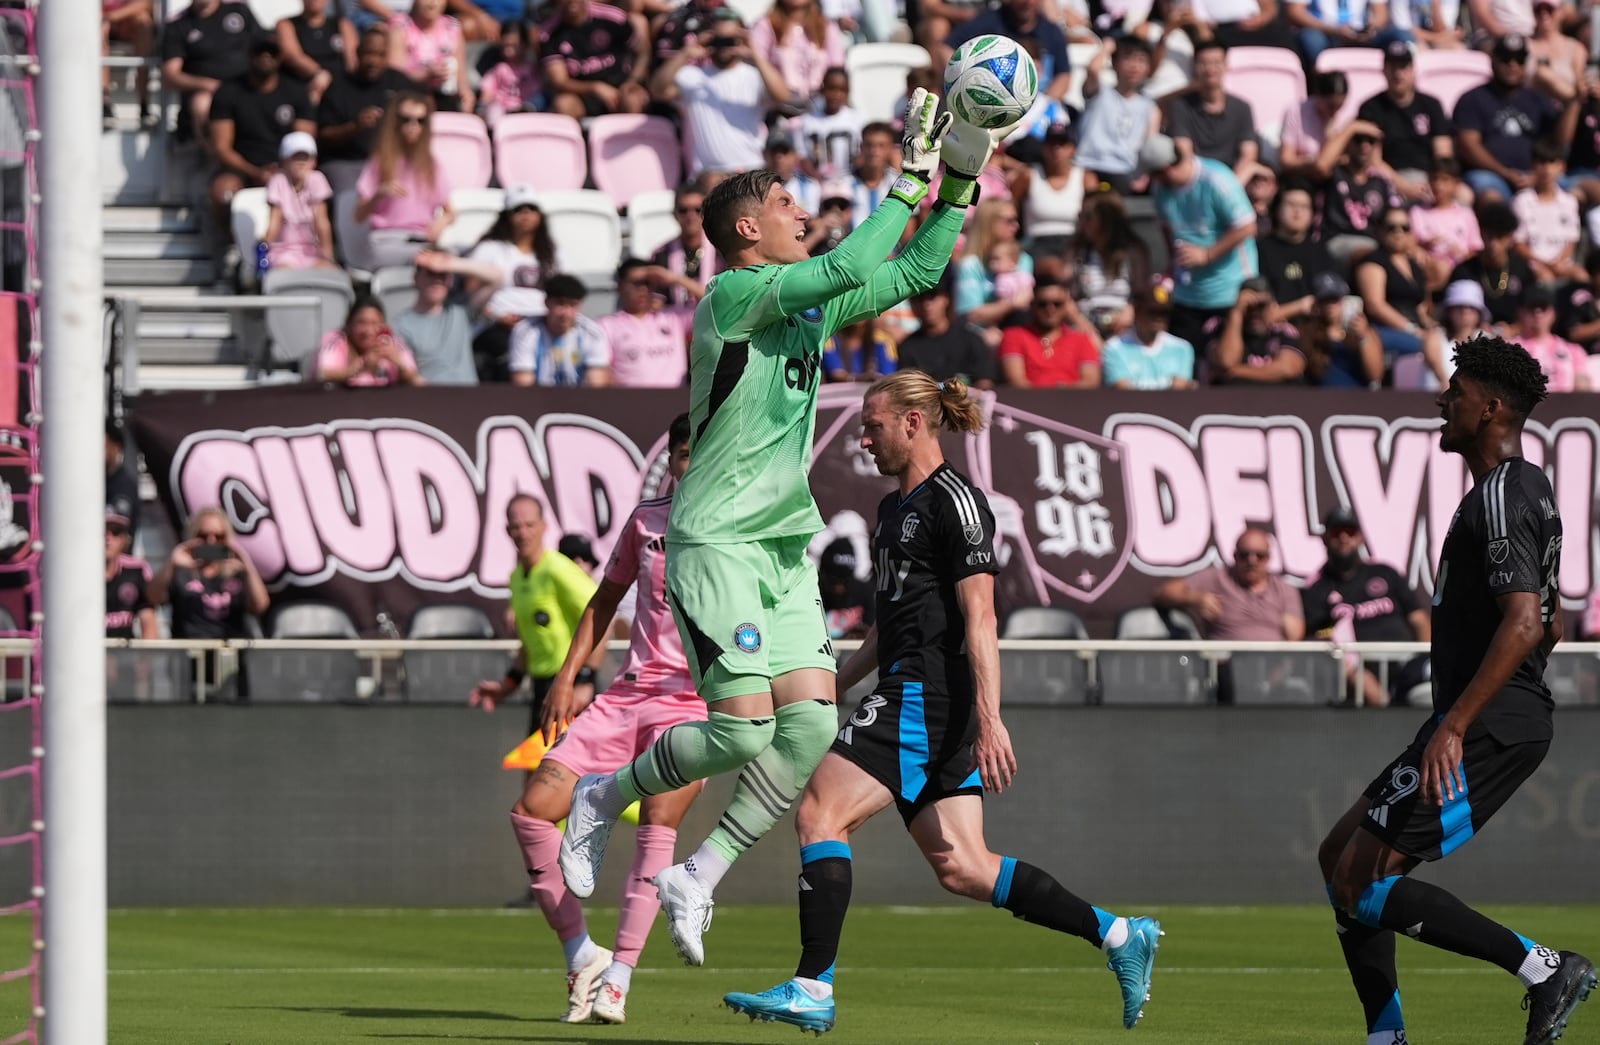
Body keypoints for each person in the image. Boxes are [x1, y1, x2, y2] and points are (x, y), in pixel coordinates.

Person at [557, 92, 1003, 969]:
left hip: (780, 548)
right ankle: (603, 795)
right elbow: (845, 267)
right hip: (717, 541)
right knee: (741, 731)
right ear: (747, 232)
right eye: (788, 204)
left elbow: (906, 277)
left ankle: (700, 872)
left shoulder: (800, 311)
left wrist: (955, 185)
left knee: (806, 726)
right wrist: (907, 178)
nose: (805, 211)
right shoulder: (731, 296)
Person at [722, 371, 1163, 1034]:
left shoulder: (956, 502)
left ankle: (813, 984)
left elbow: (980, 617)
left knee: (819, 814)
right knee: (962, 864)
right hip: (910, 690)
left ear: (914, 422)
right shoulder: (891, 509)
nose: (864, 438)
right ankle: (1119, 934)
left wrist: (990, 718)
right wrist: (840, 683)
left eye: (872, 426)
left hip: (926, 698)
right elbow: (889, 622)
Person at [1317, 336, 1596, 1045]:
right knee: (1339, 855)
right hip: (1481, 712)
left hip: (1487, 720)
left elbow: (1528, 619)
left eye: (1457, 392)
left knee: (1361, 878)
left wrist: (1455, 723)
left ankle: (1544, 967)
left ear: (1492, 406)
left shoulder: (1505, 489)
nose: (1444, 401)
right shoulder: (1507, 492)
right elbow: (1550, 619)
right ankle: (1388, 1034)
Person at [504, 416, 707, 1026]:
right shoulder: (646, 520)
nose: (690, 464)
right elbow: (604, 599)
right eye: (680, 454)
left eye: (701, 452)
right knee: (532, 808)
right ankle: (581, 952)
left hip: (694, 701)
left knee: (657, 824)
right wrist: (566, 678)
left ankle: (619, 975)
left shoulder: (741, 524)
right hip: (625, 693)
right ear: (669, 459)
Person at [470, 494, 607, 755]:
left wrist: (585, 681)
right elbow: (529, 643)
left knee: (558, 787)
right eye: (516, 526)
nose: (523, 533)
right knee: (536, 784)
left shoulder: (558, 569)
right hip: (543, 692)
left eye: (530, 525)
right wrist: (507, 686)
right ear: (507, 530)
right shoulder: (517, 578)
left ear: (544, 526)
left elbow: (602, 615)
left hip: (571, 690)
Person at [1302, 505, 1431, 707]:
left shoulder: (1385, 573)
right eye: (1336, 532)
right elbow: (1322, 638)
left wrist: (1427, 659)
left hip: (1409, 666)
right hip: (1360, 677)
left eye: (1350, 531)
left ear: (1360, 537)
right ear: (1325, 538)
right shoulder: (1316, 590)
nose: (1344, 537)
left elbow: (1419, 620)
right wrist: (1357, 674)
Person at [1142, 134, 1259, 356]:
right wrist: (1170, 268)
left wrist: (1207, 255)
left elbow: (1247, 226)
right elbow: (1166, 229)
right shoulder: (1161, 191)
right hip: (1187, 295)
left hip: (1228, 293)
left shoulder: (1217, 180)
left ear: (1165, 170)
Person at [651, 15, 794, 177]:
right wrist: (685, 53)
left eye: (730, 39)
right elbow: (657, 90)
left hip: (750, 170)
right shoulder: (693, 76)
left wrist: (755, 54)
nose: (724, 46)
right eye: (719, 39)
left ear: (741, 38)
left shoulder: (754, 76)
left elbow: (782, 96)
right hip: (707, 176)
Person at [209, 36, 316, 240]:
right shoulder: (228, 91)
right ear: (249, 55)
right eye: (260, 51)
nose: (265, 57)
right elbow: (221, 148)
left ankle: (305, 245)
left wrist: (284, 171)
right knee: (222, 193)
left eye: (272, 52)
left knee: (316, 188)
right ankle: (234, 246)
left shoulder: (296, 92)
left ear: (281, 57)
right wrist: (256, 172)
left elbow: (305, 143)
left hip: (288, 168)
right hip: (242, 168)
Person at [1452, 33, 1561, 203]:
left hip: (1536, 176)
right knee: (1491, 197)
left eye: (1519, 60)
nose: (1513, 65)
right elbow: (1469, 147)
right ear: (1493, 61)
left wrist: (1537, 175)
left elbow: (1556, 144)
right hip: (1489, 175)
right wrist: (1505, 173)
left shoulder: (1539, 100)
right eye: (1506, 59)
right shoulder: (1472, 99)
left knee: (1579, 189)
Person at [1154, 525, 1305, 643]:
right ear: (1235, 556)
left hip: (1272, 668)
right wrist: (1196, 599)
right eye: (1245, 555)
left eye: (1259, 555)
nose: (1252, 561)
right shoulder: (1217, 578)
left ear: (1268, 558)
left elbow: (1295, 636)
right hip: (1225, 670)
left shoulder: (1284, 590)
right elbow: (1162, 593)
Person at [355, 92, 455, 268]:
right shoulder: (381, 162)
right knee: (429, 260)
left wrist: (442, 221)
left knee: (453, 257)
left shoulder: (432, 166)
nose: (413, 126)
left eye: (420, 120)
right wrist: (379, 193)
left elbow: (451, 212)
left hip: (421, 240)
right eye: (406, 120)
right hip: (386, 241)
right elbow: (359, 215)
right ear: (396, 123)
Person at [315, 27, 419, 193]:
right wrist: (355, 127)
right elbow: (324, 136)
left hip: (389, 162)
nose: (374, 61)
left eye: (380, 55)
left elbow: (423, 112)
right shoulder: (339, 86)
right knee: (351, 198)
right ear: (358, 52)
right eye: (369, 53)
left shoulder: (400, 83)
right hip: (346, 162)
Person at [1356, 40, 1454, 197]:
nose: (1398, 73)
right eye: (1392, 67)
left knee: (1465, 196)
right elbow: (1373, 159)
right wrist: (1405, 187)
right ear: (1384, 70)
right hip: (1389, 179)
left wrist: (1436, 184)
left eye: (1403, 67)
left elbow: (1443, 155)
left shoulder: (1432, 105)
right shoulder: (1370, 108)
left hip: (1430, 178)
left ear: (1413, 70)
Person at [161, 0, 262, 144]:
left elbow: (264, 47)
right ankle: (214, 159)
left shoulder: (239, 10)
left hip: (245, 89)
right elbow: (170, 76)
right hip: (207, 94)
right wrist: (208, 85)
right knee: (202, 104)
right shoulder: (178, 24)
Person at [1074, 36, 1160, 196]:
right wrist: (1108, 47)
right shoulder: (1099, 93)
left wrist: (1146, 174)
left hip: (1124, 170)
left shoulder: (1150, 107)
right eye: (1127, 58)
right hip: (1089, 164)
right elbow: (1093, 69)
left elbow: (1150, 146)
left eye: (1141, 60)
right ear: (1115, 63)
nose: (1134, 66)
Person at [1164, 40, 1263, 180]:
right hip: (1195, 178)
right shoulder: (1180, 106)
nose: (1210, 68)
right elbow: (1184, 152)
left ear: (1226, 65)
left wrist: (1230, 186)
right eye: (1203, 63)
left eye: (1216, 62)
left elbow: (1248, 154)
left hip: (1233, 180)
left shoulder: (1242, 107)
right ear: (1194, 67)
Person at [599, 258, 702, 388]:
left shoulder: (673, 318)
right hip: (630, 404)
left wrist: (675, 278)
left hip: (676, 401)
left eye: (647, 283)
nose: (642, 290)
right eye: (636, 283)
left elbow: (718, 304)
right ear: (620, 287)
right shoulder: (606, 326)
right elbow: (602, 374)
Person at [540, 0, 651, 119]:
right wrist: (595, 87)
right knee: (563, 105)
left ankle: (635, 137)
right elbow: (559, 81)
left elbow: (642, 53)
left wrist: (633, 80)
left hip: (621, 86)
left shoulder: (613, 17)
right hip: (582, 94)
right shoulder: (549, 34)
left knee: (633, 100)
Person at [1257, 183, 1338, 327]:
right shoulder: (1260, 250)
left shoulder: (1321, 251)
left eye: (1304, 206)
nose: (1297, 211)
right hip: (1276, 331)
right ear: (1276, 209)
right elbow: (1263, 315)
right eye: (1291, 204)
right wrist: (1300, 307)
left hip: (1317, 329)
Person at [508, 275, 612, 387]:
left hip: (581, 401)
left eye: (573, 305)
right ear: (546, 303)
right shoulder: (525, 331)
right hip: (536, 400)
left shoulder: (592, 333)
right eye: (560, 304)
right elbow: (523, 383)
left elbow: (596, 383)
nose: (566, 313)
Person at [997, 278, 1102, 388]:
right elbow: (1017, 382)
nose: (1050, 309)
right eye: (1043, 304)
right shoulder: (1013, 336)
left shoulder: (1081, 339)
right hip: (1026, 403)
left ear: (1066, 306)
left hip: (1074, 403)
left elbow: (1091, 382)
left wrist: (1061, 392)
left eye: (1057, 304)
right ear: (1032, 305)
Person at [896, 278, 997, 388]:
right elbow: (907, 390)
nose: (926, 305)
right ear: (912, 304)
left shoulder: (971, 340)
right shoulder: (907, 347)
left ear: (946, 299)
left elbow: (985, 382)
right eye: (920, 299)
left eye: (932, 297)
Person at [1512, 139, 1585, 285]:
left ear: (1561, 167)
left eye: (1552, 162)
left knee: (1582, 277)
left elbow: (1570, 240)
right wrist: (1544, 263)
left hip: (1561, 263)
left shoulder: (1569, 202)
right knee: (1546, 280)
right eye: (1541, 163)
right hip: (1532, 264)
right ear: (1532, 166)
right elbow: (1518, 244)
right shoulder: (1522, 201)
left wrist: (1559, 263)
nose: (1546, 169)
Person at [395, 258, 479, 384]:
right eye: (430, 274)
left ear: (450, 280)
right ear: (416, 278)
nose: (437, 281)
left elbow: (497, 278)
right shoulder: (400, 324)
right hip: (430, 399)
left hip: (472, 399)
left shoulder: (461, 313)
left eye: (442, 275)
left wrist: (452, 263)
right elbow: (407, 374)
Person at [1211, 278, 1309, 384]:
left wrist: (1236, 371)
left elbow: (1288, 369)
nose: (1255, 313)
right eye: (1249, 307)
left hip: (1280, 399)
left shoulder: (1282, 331)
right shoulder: (1222, 327)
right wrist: (1237, 313)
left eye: (1261, 306)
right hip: (1234, 398)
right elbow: (1227, 361)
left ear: (1272, 307)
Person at [263, 131, 337, 271]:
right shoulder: (278, 181)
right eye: (295, 158)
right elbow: (274, 222)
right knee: (283, 272)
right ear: (284, 161)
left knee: (328, 271)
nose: (301, 163)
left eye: (305, 157)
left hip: (311, 250)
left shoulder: (317, 179)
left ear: (313, 161)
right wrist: (265, 248)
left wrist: (328, 254)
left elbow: (322, 220)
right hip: (284, 251)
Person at [315, 296, 424, 385]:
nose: (369, 331)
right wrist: (356, 370)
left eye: (375, 324)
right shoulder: (335, 340)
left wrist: (398, 362)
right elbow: (320, 374)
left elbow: (417, 382)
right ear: (349, 324)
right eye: (361, 323)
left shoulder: (392, 344)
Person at [388, 0, 474, 111]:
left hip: (444, 98)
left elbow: (461, 75)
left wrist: (465, 93)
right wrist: (426, 74)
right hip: (408, 96)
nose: (432, 3)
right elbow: (394, 75)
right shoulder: (400, 25)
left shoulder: (453, 26)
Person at [1301, 272, 1384, 387]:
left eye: (1334, 299)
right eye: (1324, 300)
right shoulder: (1308, 332)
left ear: (1343, 300)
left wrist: (1363, 337)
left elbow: (1375, 376)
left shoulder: (1364, 331)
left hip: (1356, 397)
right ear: (1317, 303)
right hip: (1322, 398)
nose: (1330, 305)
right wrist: (1299, 307)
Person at [1102, 290, 1196, 389]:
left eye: (1164, 313)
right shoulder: (1114, 348)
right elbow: (1123, 389)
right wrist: (1169, 384)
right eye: (1153, 312)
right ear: (1137, 312)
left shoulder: (1182, 348)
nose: (1159, 318)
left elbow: (1179, 388)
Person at [651, 182, 718, 311]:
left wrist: (677, 279)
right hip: (674, 326)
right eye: (683, 210)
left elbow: (720, 300)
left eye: (698, 210)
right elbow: (657, 305)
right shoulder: (661, 253)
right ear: (674, 214)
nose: (690, 216)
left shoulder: (722, 250)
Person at [1515, 283, 1593, 392]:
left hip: (1564, 406)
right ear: (1520, 312)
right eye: (1531, 308)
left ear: (1553, 313)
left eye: (1543, 308)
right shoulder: (1509, 348)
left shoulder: (1573, 350)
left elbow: (1583, 386)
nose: (1538, 313)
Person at [278, 0, 358, 106]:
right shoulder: (287, 24)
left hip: (339, 90)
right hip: (304, 89)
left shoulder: (342, 25)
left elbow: (352, 61)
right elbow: (292, 55)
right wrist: (319, 73)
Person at [792, 67, 865, 180]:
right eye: (831, 89)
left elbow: (863, 154)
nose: (836, 94)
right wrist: (818, 179)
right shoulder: (808, 121)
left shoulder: (858, 119)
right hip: (817, 183)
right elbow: (803, 157)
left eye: (841, 90)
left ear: (848, 92)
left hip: (851, 182)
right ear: (822, 89)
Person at [104, 510, 157, 640]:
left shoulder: (137, 570)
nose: (107, 538)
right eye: (101, 531)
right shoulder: (74, 576)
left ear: (124, 540)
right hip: (85, 656)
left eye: (116, 532)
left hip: (126, 657)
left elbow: (149, 621)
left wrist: (147, 658)